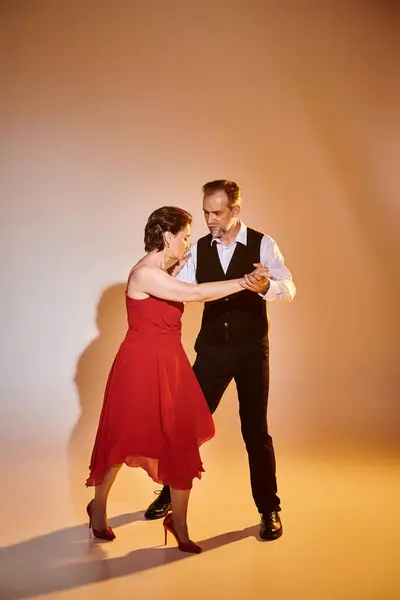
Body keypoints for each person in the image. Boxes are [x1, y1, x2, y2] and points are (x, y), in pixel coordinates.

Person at [85, 205, 269, 554]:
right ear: (168, 237)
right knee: (121, 442)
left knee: (181, 440)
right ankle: (98, 511)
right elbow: (197, 294)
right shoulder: (144, 275)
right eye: (184, 237)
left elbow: (184, 285)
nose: (188, 243)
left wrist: (183, 265)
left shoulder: (165, 270)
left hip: (170, 364)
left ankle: (179, 522)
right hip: (138, 366)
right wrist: (246, 282)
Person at [144, 180, 296, 541]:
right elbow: (179, 286)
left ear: (235, 211)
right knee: (186, 427)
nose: (210, 219)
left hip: (251, 351)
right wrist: (162, 269)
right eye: (206, 212)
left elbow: (288, 287)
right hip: (211, 350)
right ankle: (169, 493)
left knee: (255, 432)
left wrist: (266, 288)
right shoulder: (197, 248)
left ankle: (269, 508)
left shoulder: (263, 243)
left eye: (217, 212)